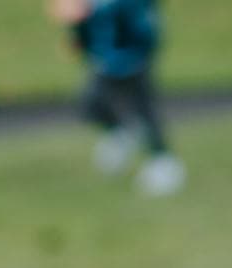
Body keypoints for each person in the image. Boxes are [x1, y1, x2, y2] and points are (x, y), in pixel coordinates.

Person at [52, 0, 185, 196]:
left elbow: (140, 26)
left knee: (142, 111)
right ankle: (121, 135)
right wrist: (78, 29)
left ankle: (163, 163)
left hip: (132, 61)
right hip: (105, 63)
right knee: (92, 105)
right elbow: (86, 27)